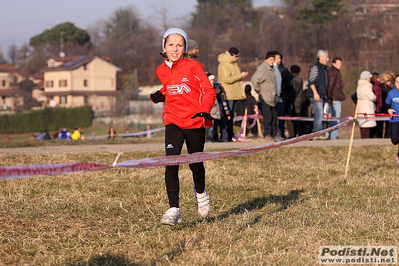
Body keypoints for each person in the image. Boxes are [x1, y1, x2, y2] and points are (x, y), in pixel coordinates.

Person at [150, 28, 216, 226]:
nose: (175, 49)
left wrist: (204, 110)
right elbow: (170, 86)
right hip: (173, 121)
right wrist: (159, 95)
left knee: (195, 163)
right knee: (171, 164)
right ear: (164, 47)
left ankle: (201, 193)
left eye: (179, 45)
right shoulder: (160, 70)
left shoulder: (194, 66)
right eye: (171, 45)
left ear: (185, 48)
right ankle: (173, 209)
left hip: (195, 120)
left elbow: (209, 91)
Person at [217, 47, 248, 141]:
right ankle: (226, 135)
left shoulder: (234, 64)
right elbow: (227, 79)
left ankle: (230, 134)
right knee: (228, 116)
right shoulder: (223, 65)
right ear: (230, 55)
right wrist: (240, 76)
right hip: (228, 94)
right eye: (236, 56)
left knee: (232, 116)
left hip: (235, 94)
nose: (237, 58)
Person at [251, 51, 279, 140]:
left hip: (273, 97)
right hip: (266, 97)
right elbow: (254, 79)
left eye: (273, 60)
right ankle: (267, 134)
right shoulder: (263, 68)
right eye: (270, 59)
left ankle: (274, 134)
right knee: (268, 117)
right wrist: (259, 91)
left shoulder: (272, 68)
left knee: (274, 117)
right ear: (266, 59)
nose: (272, 61)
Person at [306, 49, 330, 139]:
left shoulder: (324, 69)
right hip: (316, 95)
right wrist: (315, 93)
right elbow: (311, 81)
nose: (328, 59)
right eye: (326, 57)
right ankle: (317, 133)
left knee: (320, 114)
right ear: (320, 57)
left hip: (322, 95)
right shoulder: (315, 67)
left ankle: (318, 131)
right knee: (319, 113)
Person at [274, 51, 294, 140]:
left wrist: (289, 95)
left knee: (281, 115)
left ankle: (281, 132)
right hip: (274, 95)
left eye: (279, 58)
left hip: (283, 96)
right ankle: (276, 132)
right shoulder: (271, 69)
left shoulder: (284, 71)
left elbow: (289, 84)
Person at [328, 57, 345, 140]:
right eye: (339, 63)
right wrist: (329, 96)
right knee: (336, 117)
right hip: (335, 97)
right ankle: (333, 136)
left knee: (334, 117)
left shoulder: (334, 71)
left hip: (335, 97)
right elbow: (331, 85)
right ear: (334, 63)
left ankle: (333, 135)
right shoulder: (334, 72)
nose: (340, 65)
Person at [356, 71, 376, 138]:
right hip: (367, 106)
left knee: (363, 124)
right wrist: (375, 97)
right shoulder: (367, 86)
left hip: (361, 106)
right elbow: (371, 96)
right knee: (367, 124)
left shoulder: (359, 86)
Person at [385, 74, 399, 164]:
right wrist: (389, 109)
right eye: (397, 82)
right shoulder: (391, 93)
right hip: (394, 120)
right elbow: (387, 104)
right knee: (394, 140)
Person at [380, 71, 395, 138]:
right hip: (386, 108)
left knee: (380, 125)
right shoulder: (389, 89)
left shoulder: (380, 87)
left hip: (381, 108)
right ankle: (387, 137)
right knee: (388, 125)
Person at [290, 65, 304, 137]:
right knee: (299, 118)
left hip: (295, 100)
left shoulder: (293, 79)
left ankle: (295, 133)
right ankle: (300, 133)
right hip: (300, 100)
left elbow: (293, 91)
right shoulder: (300, 79)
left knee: (294, 118)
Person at [370, 72, 383, 138]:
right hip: (377, 108)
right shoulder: (377, 86)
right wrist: (378, 107)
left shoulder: (372, 85)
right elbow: (377, 98)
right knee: (378, 125)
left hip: (374, 107)